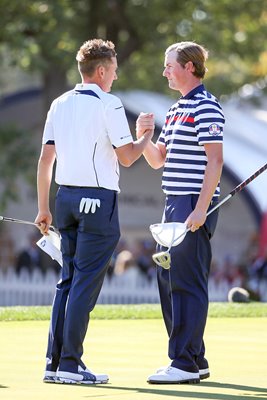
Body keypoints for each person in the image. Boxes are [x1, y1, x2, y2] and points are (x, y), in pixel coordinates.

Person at [34, 38, 154, 385]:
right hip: (98, 201)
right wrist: (145, 135)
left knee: (67, 282)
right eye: (113, 71)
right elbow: (128, 157)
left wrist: (44, 208)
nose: (115, 77)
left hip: (64, 199)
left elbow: (45, 161)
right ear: (101, 70)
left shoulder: (59, 103)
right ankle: (71, 364)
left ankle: (54, 364)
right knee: (84, 284)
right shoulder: (109, 103)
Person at [137, 41, 224, 384]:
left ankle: (184, 362)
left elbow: (215, 161)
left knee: (184, 280)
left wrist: (201, 209)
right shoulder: (175, 110)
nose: (164, 71)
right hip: (174, 200)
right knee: (169, 277)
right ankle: (195, 357)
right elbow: (159, 159)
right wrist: (143, 136)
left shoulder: (206, 106)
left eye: (169, 65)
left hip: (191, 203)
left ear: (190, 67)